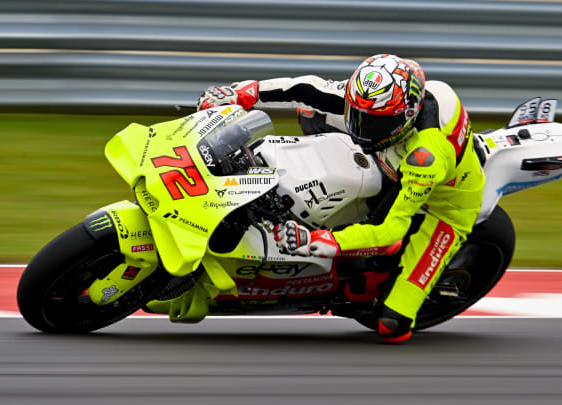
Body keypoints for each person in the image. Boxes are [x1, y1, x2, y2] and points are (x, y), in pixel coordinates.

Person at [198, 54, 485, 343]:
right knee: (310, 111)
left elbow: (391, 230)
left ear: (406, 117)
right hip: (393, 156)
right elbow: (304, 88)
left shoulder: (426, 158)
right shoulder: (378, 99)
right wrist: (241, 93)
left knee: (391, 325)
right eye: (357, 115)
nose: (359, 129)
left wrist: (319, 243)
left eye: (371, 123)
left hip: (442, 206)